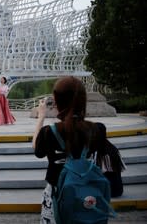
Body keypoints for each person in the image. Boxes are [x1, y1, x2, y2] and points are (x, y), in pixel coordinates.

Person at [32, 76, 108, 223]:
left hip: (57, 192)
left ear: (57, 101)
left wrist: (41, 117)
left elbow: (38, 151)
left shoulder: (49, 132)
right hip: (89, 191)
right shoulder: (98, 129)